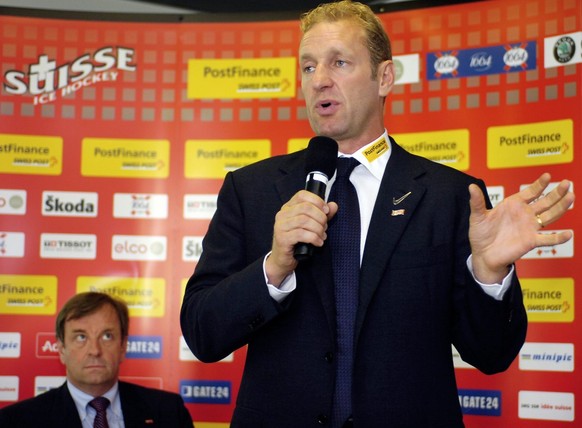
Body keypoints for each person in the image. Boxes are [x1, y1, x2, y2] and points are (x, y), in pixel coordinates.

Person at [180, 1, 575, 427]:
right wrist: (274, 266)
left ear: (384, 77)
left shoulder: (452, 197)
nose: (320, 81)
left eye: (339, 63)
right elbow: (203, 333)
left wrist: (490, 275)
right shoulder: (252, 190)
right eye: (309, 67)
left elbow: (493, 355)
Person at [0, 292, 193, 428]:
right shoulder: (17, 421)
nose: (95, 350)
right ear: (61, 349)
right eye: (81, 337)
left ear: (123, 346)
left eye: (107, 336)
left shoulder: (168, 412)